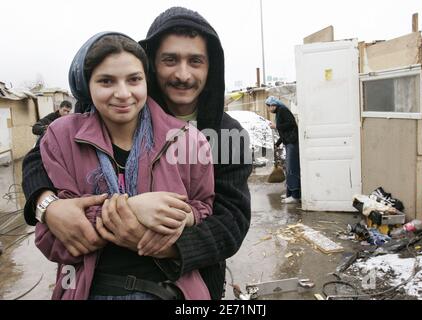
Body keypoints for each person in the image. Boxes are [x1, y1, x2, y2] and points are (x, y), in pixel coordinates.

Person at [21, 7, 252, 300]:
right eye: (170, 60)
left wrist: (160, 243)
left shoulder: (224, 134)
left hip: (187, 283)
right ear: (151, 64)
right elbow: (40, 157)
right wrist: (47, 204)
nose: (183, 74)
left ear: (211, 67)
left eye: (196, 61)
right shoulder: (116, 105)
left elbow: (230, 221)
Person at [266, 96, 301, 204]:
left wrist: (276, 126)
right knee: (289, 168)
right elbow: (284, 131)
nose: (268, 109)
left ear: (274, 105)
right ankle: (289, 194)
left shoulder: (282, 110)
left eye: (269, 106)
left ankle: (295, 196)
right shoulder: (279, 112)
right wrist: (278, 143)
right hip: (289, 142)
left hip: (292, 142)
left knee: (292, 168)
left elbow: (291, 124)